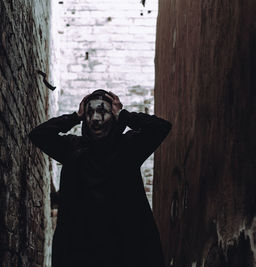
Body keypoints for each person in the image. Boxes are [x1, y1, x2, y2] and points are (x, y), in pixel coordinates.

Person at [29, 89, 171, 267]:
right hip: (81, 252)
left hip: (124, 251)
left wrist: (124, 115)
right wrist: (75, 116)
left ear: (113, 115)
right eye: (89, 113)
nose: (95, 119)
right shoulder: (72, 149)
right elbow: (38, 135)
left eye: (102, 112)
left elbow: (161, 128)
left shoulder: (129, 148)